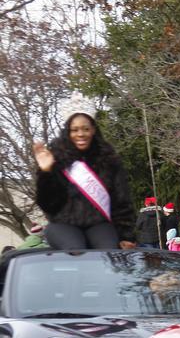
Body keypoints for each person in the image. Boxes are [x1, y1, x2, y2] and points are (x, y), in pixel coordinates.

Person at [32, 91, 136, 249]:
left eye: (85, 129)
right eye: (75, 130)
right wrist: (46, 172)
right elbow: (48, 203)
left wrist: (126, 235)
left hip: (99, 223)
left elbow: (121, 200)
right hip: (63, 224)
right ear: (68, 132)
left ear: (93, 130)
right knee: (76, 252)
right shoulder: (55, 157)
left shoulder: (109, 158)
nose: (80, 134)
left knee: (107, 254)